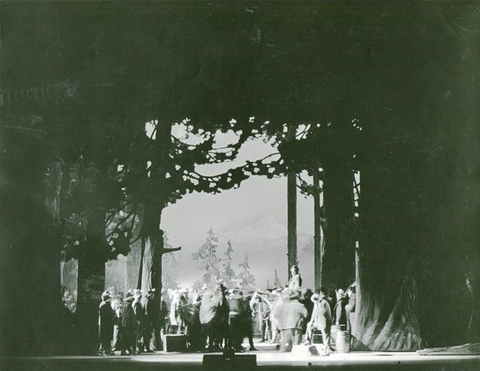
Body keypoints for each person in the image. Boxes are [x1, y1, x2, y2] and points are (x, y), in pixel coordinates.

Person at [98, 291, 114, 356]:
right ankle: (105, 349)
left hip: (107, 324)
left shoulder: (105, 305)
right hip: (105, 324)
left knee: (106, 336)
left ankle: (106, 349)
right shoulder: (104, 305)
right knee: (105, 337)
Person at [120, 291, 136, 355]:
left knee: (124, 337)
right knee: (129, 337)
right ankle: (129, 349)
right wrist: (134, 320)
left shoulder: (123, 304)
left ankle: (124, 350)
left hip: (123, 323)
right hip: (128, 324)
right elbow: (130, 315)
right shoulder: (129, 305)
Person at [132, 289, 145, 353]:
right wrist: (137, 320)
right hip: (138, 321)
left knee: (138, 335)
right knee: (137, 335)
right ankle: (135, 348)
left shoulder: (137, 302)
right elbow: (135, 312)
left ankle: (136, 348)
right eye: (140, 295)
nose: (141, 296)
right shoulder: (136, 302)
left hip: (139, 320)